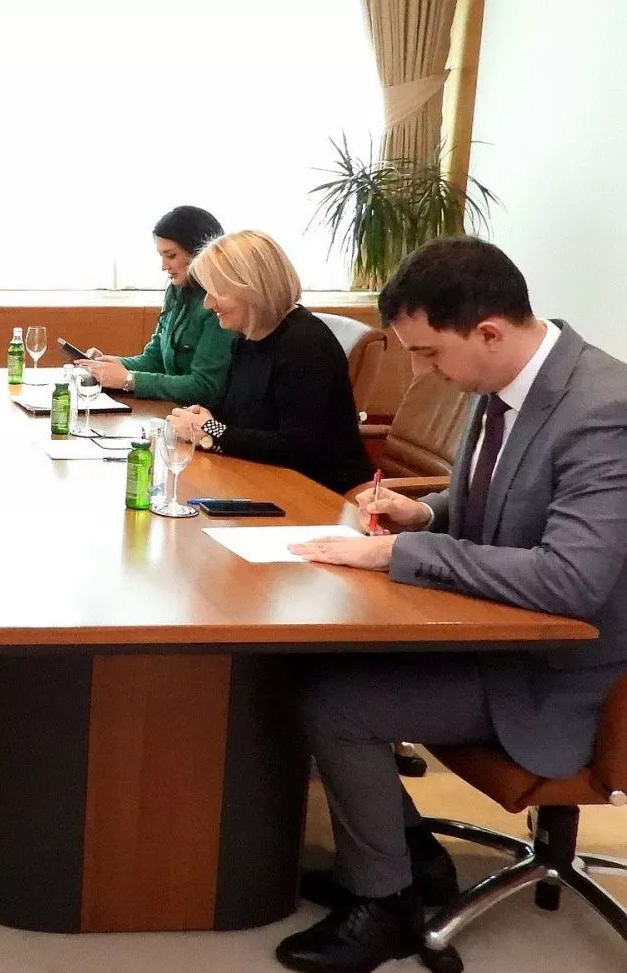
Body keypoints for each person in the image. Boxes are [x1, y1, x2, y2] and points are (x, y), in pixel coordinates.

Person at [276, 237, 627, 973]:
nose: (420, 372)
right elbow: (502, 501)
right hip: (502, 633)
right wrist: (427, 514)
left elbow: (569, 578)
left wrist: (399, 553)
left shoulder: (605, 412)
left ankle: (385, 906)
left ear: (489, 332)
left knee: (336, 702)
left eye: (428, 353)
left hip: (560, 674)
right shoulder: (506, 382)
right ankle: (409, 858)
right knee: (309, 654)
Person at [166, 229, 372, 495]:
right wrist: (199, 420)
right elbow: (231, 414)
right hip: (263, 478)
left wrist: (210, 429)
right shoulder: (246, 337)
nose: (208, 304)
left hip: (321, 493)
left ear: (253, 289)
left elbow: (295, 447)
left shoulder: (304, 343)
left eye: (218, 292)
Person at [75, 205, 235, 406]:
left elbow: (203, 387)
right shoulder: (176, 291)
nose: (163, 266)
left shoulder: (221, 306)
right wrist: (111, 366)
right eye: (161, 256)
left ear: (200, 253)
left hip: (206, 416)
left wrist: (129, 379)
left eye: (171, 256)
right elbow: (155, 358)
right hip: (176, 411)